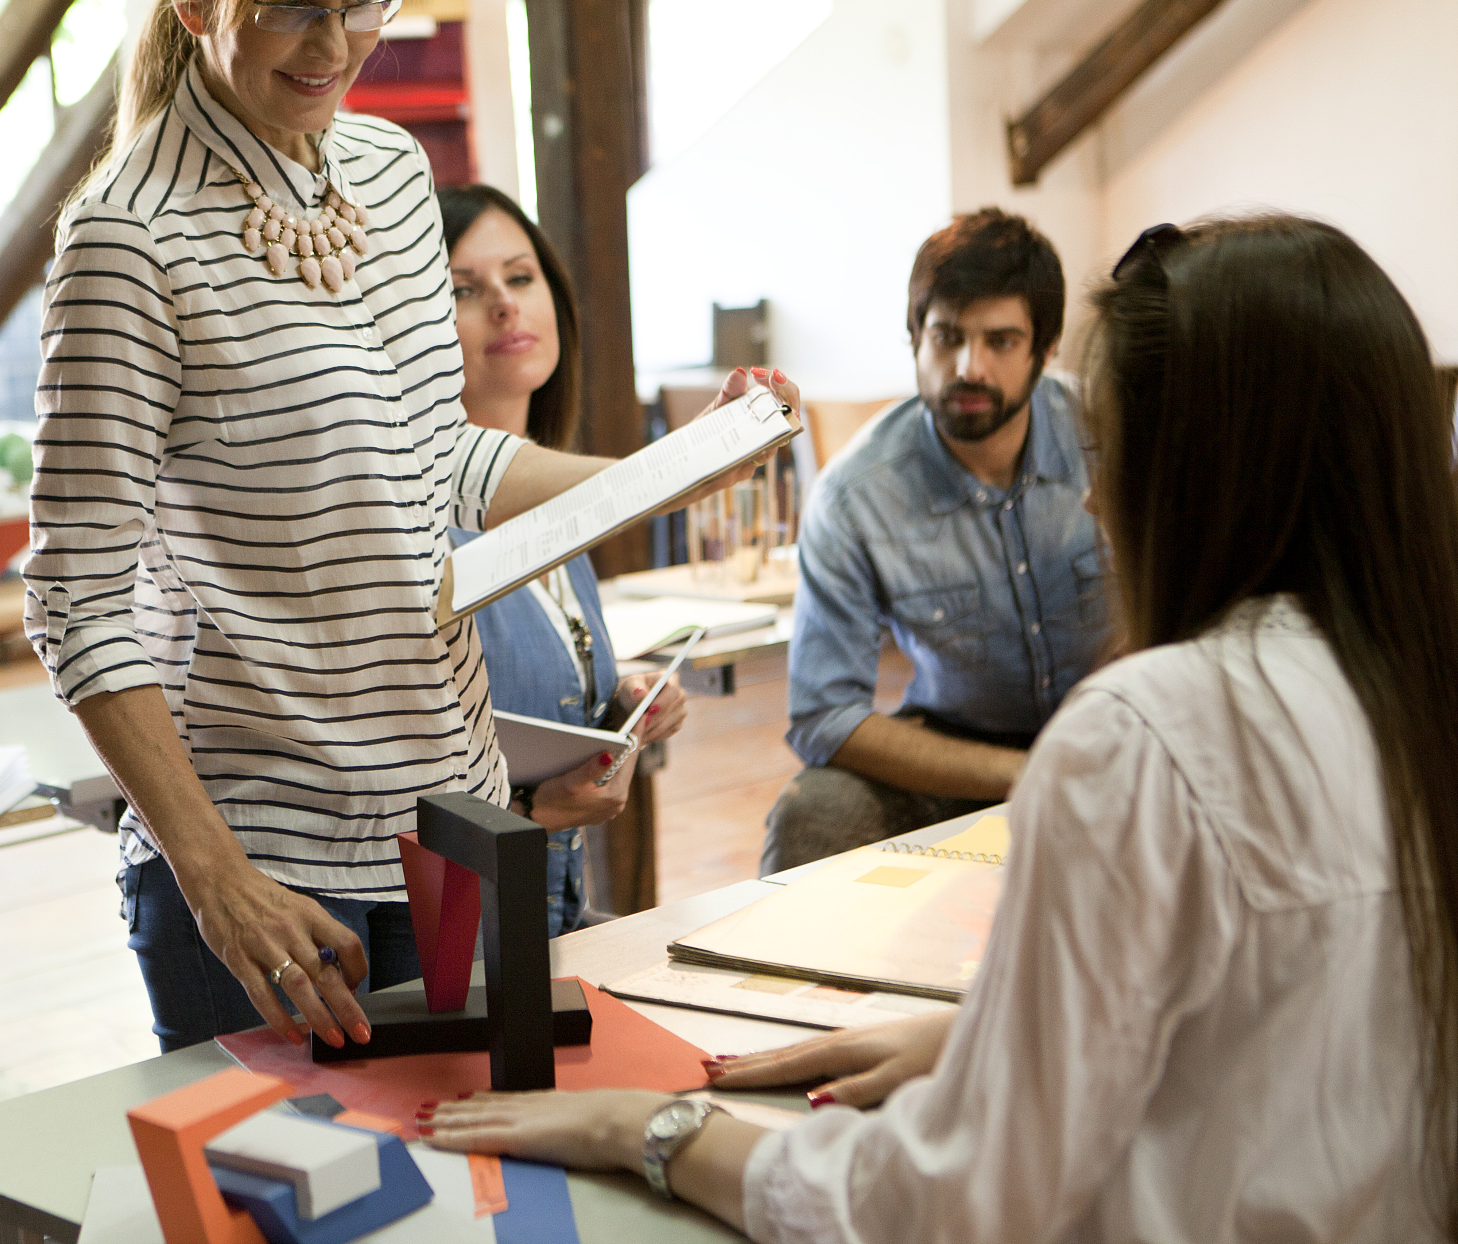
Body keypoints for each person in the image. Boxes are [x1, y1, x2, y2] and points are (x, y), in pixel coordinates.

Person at [421, 214, 1458, 1240]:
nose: (1095, 499)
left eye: (1114, 448)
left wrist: (651, 1129)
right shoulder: (1402, 690)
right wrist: (999, 1038)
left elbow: (949, 1198)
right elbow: (1280, 1006)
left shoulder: (1146, 741)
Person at [24, 0, 794, 1054]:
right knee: (308, 1215)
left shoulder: (384, 173)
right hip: (267, 861)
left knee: (478, 1194)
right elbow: (72, 597)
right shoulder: (129, 237)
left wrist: (676, 470)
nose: (334, 49)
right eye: (292, 9)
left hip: (451, 819)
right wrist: (214, 877)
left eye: (362, 3)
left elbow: (435, 455)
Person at [766, 207, 1107, 873]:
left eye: (1001, 341)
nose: (969, 366)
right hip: (960, 759)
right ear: (914, 336)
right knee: (815, 810)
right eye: (947, 336)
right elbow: (823, 717)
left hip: (1117, 737)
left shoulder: (1112, 431)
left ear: (1046, 345)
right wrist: (1027, 771)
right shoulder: (854, 493)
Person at [440, 182, 688, 935]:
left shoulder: (563, 503)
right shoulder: (418, 515)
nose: (505, 305)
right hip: (458, 946)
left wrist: (619, 708)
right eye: (464, 289)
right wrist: (529, 810)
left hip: (553, 917)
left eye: (520, 277)